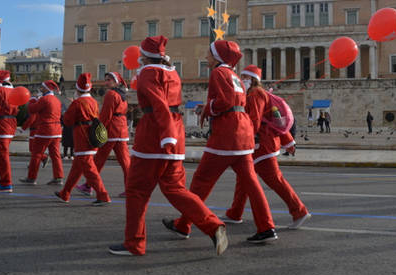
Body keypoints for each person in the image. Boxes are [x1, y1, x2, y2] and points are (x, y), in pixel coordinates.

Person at [108, 36, 227, 256]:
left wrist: (165, 136)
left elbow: (158, 104)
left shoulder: (147, 74)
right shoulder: (172, 73)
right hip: (176, 131)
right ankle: (212, 224)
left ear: (144, 55)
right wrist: (172, 136)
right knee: (175, 189)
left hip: (154, 135)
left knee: (136, 191)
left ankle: (134, 243)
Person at [167, 40, 277, 243]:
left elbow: (225, 102)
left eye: (209, 54)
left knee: (201, 181)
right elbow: (235, 100)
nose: (206, 57)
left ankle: (184, 225)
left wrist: (208, 108)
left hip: (226, 134)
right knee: (252, 184)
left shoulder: (218, 73)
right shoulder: (234, 75)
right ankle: (267, 226)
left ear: (217, 57)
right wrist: (209, 106)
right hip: (242, 133)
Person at [223, 65, 310, 229]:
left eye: (244, 77)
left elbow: (255, 120)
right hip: (262, 143)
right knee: (244, 179)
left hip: (261, 145)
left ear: (252, 79)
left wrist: (248, 138)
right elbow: (271, 121)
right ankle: (234, 213)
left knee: (274, 179)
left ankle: (299, 211)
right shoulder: (259, 93)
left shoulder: (255, 94)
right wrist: (288, 141)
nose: (242, 79)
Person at [54, 73, 111, 205]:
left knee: (90, 170)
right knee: (77, 169)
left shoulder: (78, 102)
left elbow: (68, 120)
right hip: (92, 135)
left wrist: (69, 108)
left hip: (81, 137)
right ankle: (65, 193)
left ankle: (103, 195)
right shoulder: (94, 102)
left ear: (77, 89)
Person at [77, 72, 130, 198]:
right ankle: (131, 188)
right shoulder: (123, 95)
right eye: (105, 80)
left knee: (99, 159)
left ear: (116, 81)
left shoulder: (111, 94)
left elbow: (106, 115)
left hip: (111, 130)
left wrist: (99, 130)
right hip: (121, 130)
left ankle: (89, 186)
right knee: (125, 162)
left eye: (109, 80)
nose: (106, 82)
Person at [20, 80, 64, 185]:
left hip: (45, 129)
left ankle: (31, 178)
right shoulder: (57, 100)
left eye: (42, 87)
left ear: (47, 89)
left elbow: (32, 109)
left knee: (36, 154)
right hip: (57, 130)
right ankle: (58, 177)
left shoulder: (44, 99)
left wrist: (32, 100)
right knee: (55, 155)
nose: (41, 89)